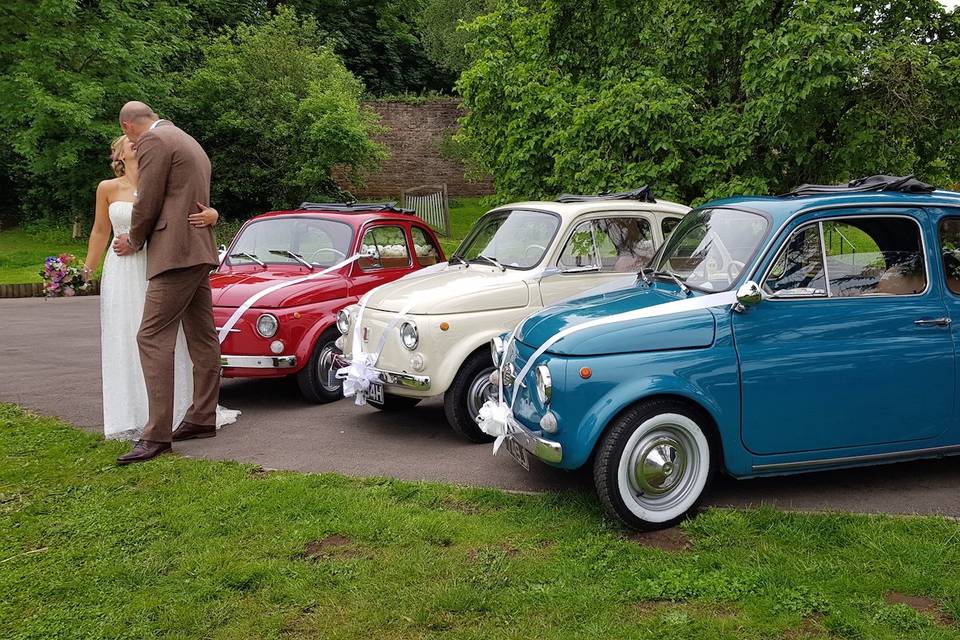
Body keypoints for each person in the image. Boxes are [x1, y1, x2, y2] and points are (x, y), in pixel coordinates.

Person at [83, 134, 238, 444]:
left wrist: (214, 215)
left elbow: (184, 214)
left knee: (163, 338)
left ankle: (174, 414)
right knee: (126, 335)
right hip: (122, 270)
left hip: (159, 265)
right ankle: (132, 413)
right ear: (120, 155)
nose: (137, 143)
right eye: (129, 141)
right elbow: (100, 231)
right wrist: (86, 268)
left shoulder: (164, 182)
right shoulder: (107, 188)